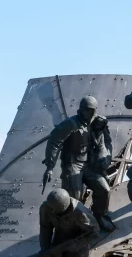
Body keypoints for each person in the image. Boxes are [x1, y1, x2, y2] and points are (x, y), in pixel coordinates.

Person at [42, 96, 114, 231]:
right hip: (72, 164)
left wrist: (106, 158)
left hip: (89, 165)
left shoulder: (98, 122)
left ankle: (100, 217)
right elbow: (54, 142)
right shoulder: (70, 124)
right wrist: (50, 167)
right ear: (80, 110)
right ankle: (75, 225)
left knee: (104, 189)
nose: (89, 113)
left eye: (92, 110)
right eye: (86, 110)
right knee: (74, 197)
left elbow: (108, 142)